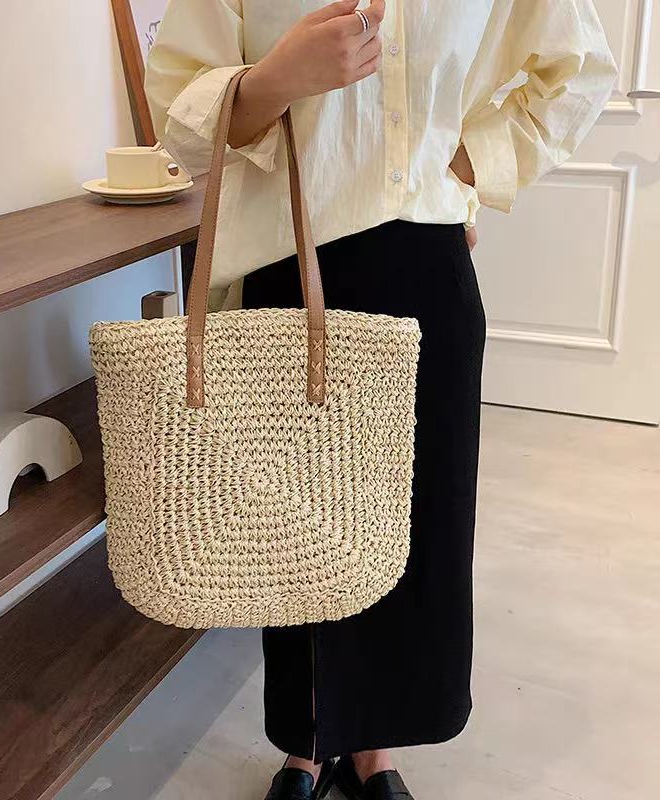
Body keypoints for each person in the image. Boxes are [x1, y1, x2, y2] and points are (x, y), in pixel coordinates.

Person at [145, 1, 616, 798]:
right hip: (289, 264)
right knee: (295, 527)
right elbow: (181, 123)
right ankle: (307, 743)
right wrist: (275, 80)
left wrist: (464, 160)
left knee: (417, 526)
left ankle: (377, 746)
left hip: (424, 262)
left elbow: (581, 70)